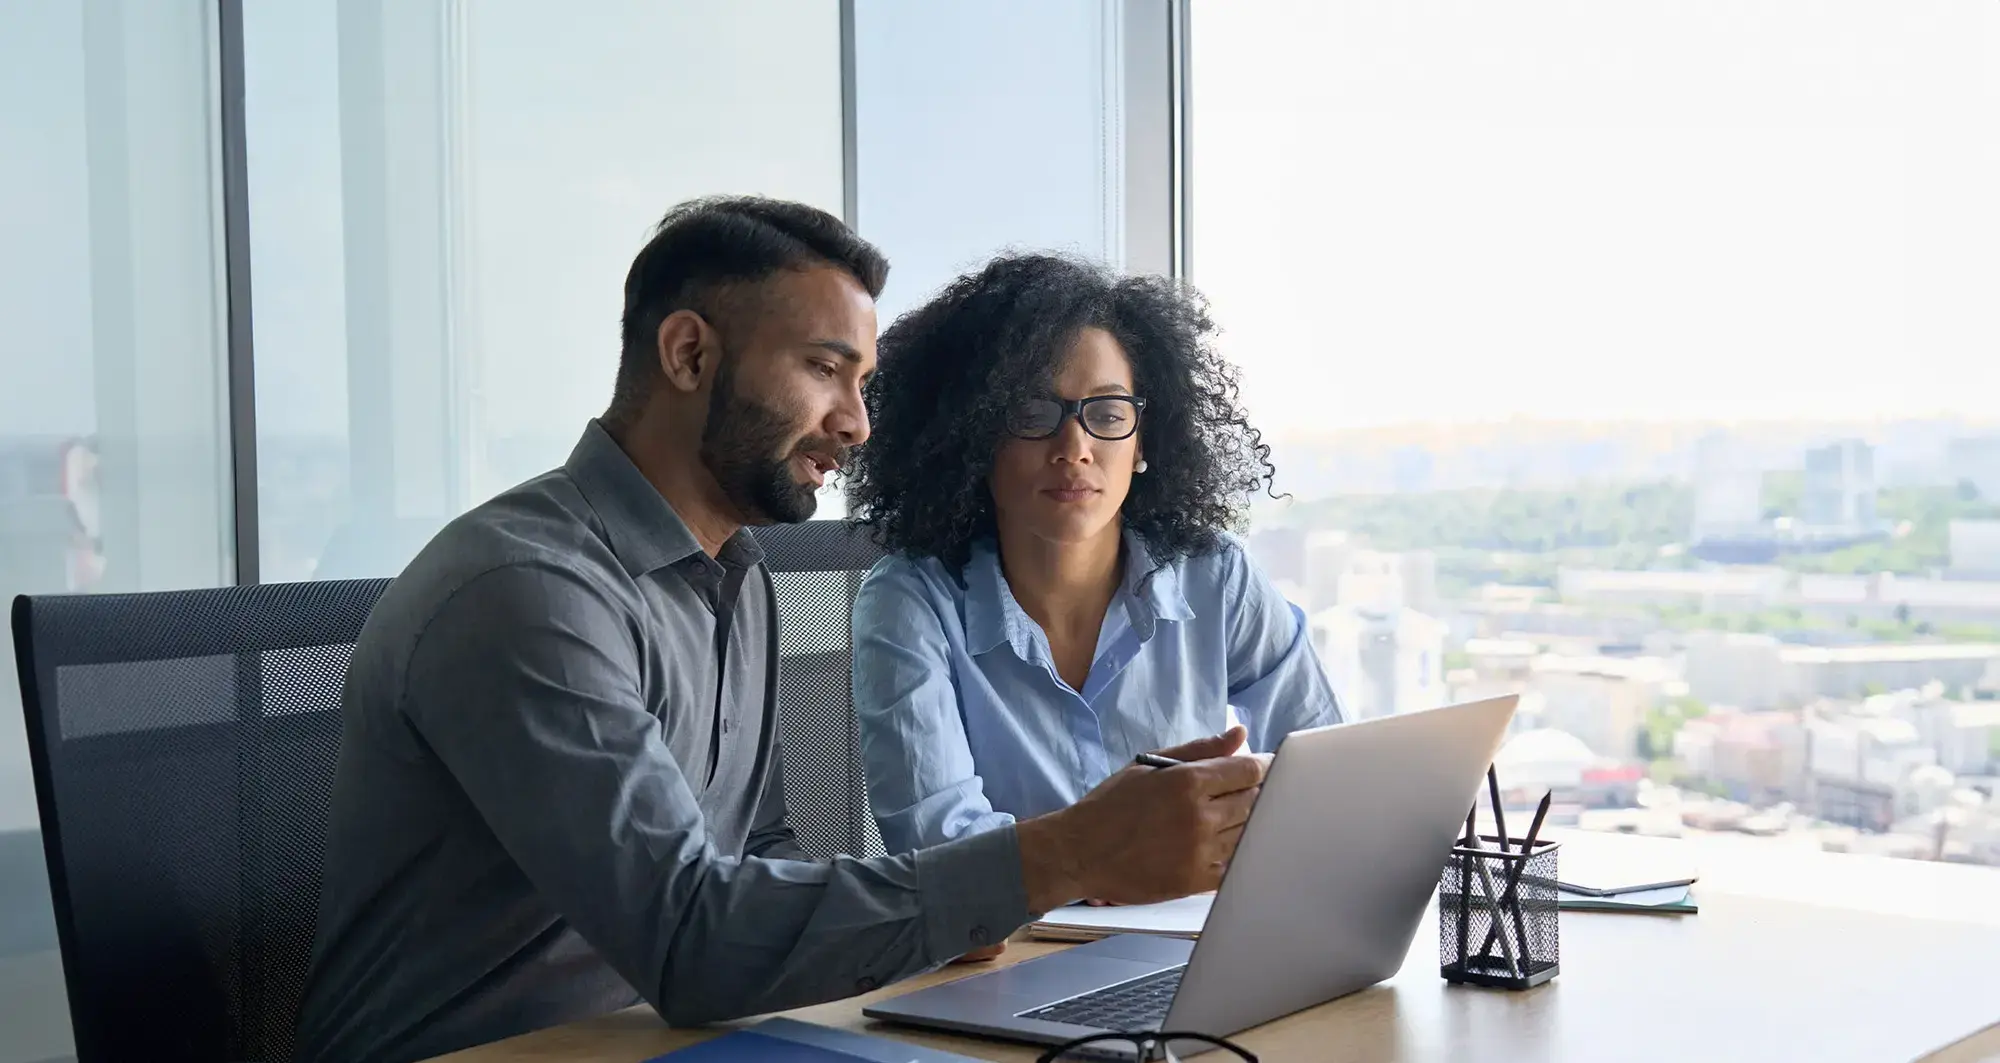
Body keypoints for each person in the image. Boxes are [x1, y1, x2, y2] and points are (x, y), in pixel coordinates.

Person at [293, 199, 1266, 1063]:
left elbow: (758, 854)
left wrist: (949, 905)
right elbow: (692, 942)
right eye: (823, 369)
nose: (856, 423)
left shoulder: (735, 573)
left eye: (862, 381)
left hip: (679, 1036)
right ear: (688, 354)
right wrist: (1061, 854)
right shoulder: (526, 591)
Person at [845, 254, 1342, 935]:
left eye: (1107, 412)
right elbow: (942, 852)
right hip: (1006, 962)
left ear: (1142, 441)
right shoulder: (910, 601)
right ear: (973, 436)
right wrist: (1102, 863)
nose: (1074, 445)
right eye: (1032, 411)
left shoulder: (1216, 575)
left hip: (1201, 944)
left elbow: (1326, 772)